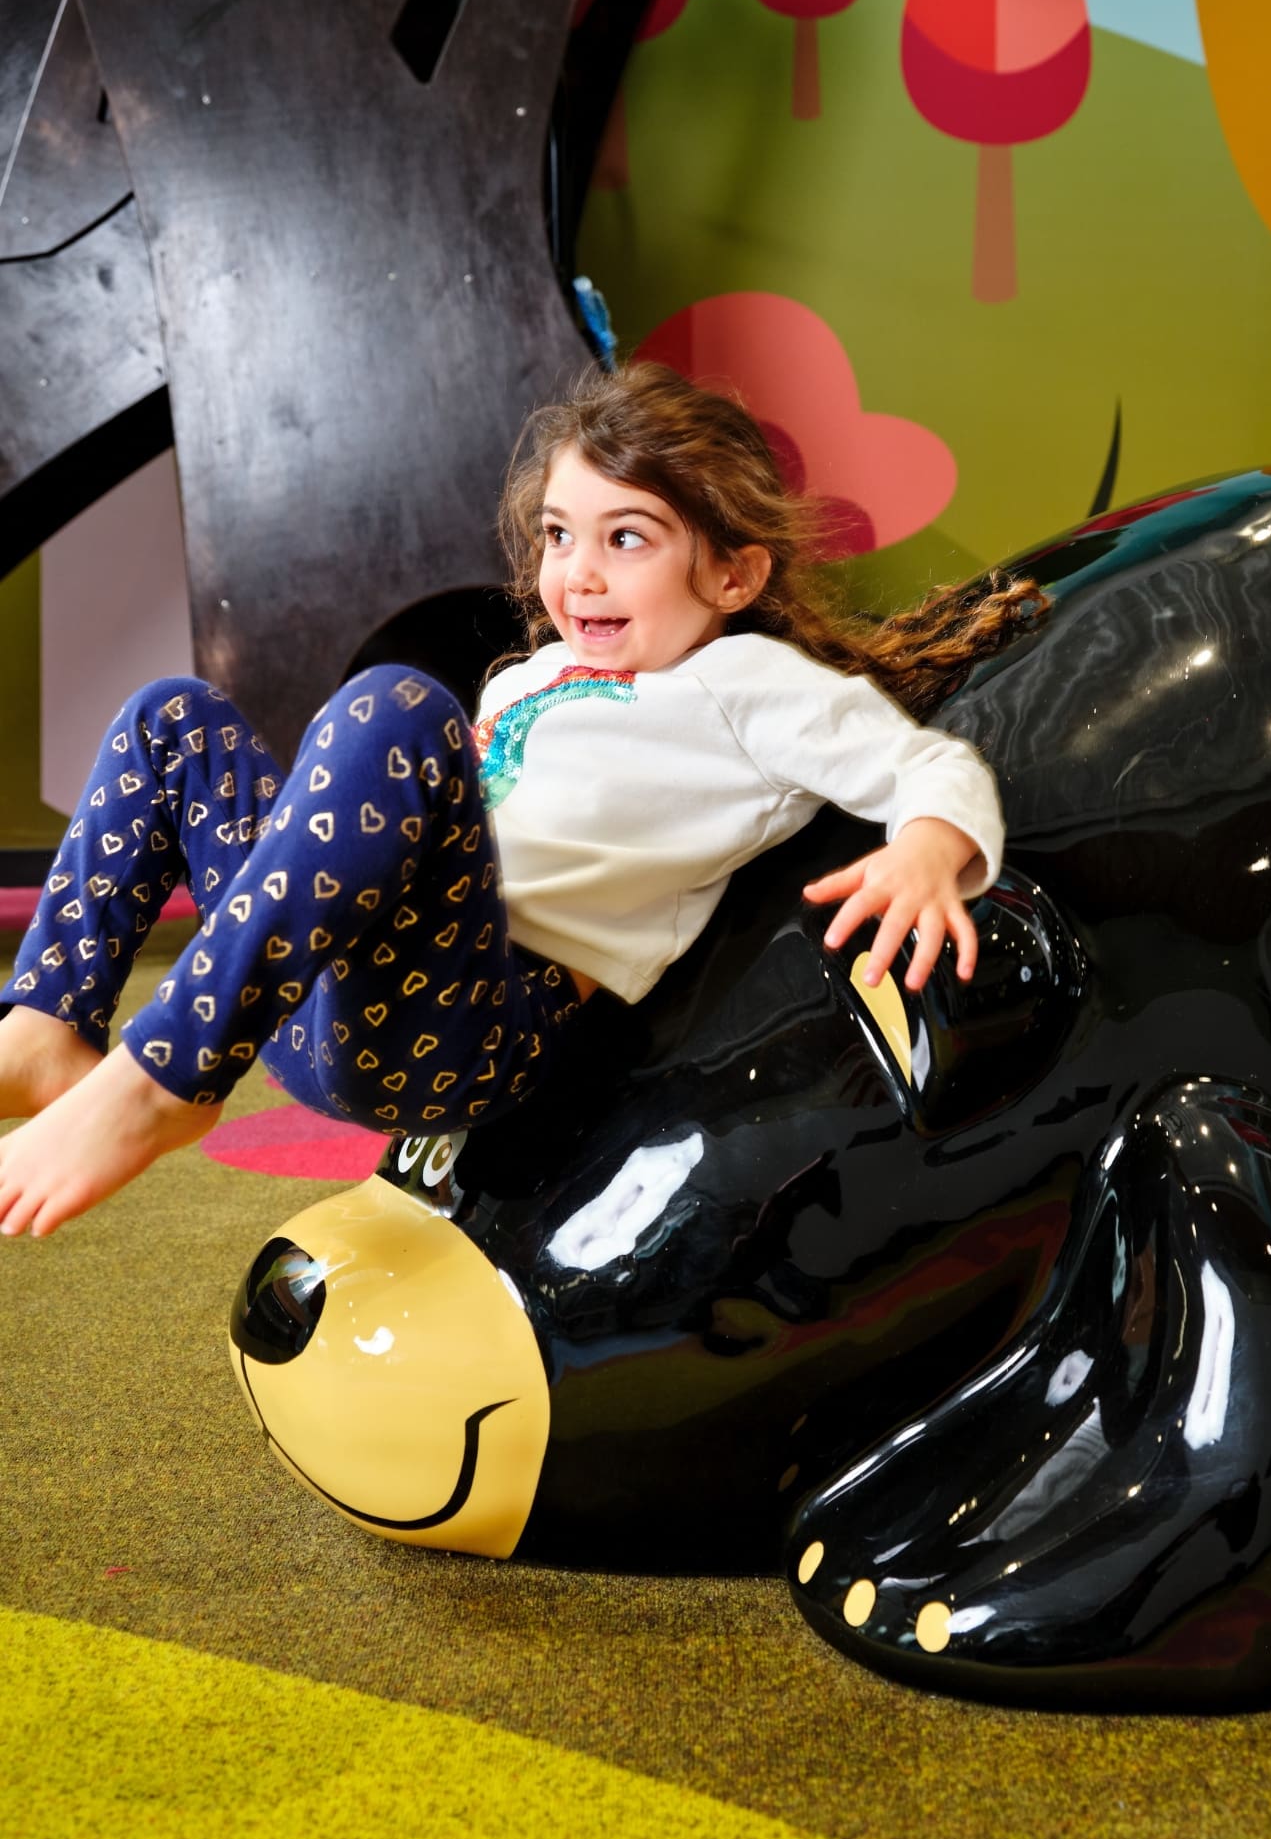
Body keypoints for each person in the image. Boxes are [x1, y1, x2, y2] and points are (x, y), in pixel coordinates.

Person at [0, 362, 1035, 1238]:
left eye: (626, 539)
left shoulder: (752, 690)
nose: (577, 573)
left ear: (731, 575)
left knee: (396, 706)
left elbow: (930, 769)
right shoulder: (525, 679)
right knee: (172, 720)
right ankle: (49, 1029)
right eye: (555, 535)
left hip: (471, 1023)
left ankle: (158, 1081)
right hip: (315, 996)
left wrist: (928, 851)